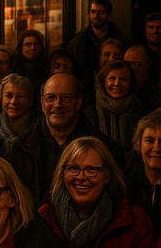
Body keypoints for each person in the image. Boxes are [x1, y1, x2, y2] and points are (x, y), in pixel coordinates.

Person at [8, 73, 125, 206]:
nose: (58, 104)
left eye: (66, 98)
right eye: (51, 98)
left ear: (78, 102)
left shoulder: (107, 149)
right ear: (42, 103)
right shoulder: (19, 147)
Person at [66, 0, 130, 88]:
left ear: (109, 16)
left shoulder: (122, 40)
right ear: (88, 14)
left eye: (101, 12)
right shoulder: (78, 43)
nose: (96, 16)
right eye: (93, 12)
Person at [83, 59, 143, 149]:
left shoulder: (141, 111)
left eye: (123, 79)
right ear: (103, 81)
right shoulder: (90, 113)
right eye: (112, 78)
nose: (117, 83)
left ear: (131, 83)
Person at [0, 73, 34, 150]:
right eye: (9, 96)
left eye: (20, 96)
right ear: (1, 99)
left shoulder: (40, 129)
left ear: (30, 101)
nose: (14, 101)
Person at [123, 44, 161, 116]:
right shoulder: (120, 87)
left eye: (137, 64)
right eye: (128, 64)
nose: (132, 68)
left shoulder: (156, 92)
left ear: (148, 63)